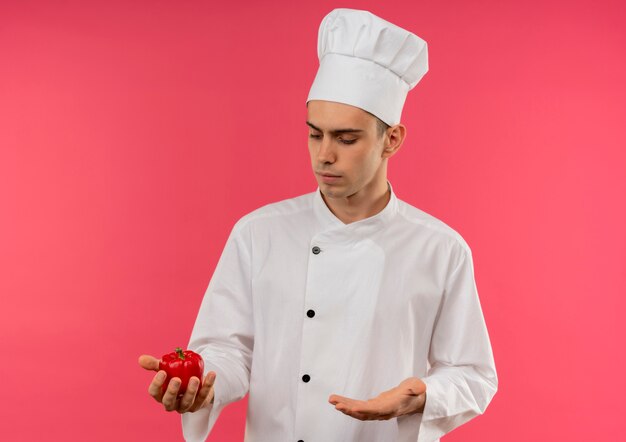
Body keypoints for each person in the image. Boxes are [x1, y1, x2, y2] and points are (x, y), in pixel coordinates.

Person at [139, 8, 497, 442]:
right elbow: (229, 350)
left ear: (392, 139)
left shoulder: (440, 249)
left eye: (346, 139)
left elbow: (473, 374)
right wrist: (202, 384)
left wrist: (420, 395)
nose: (324, 155)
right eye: (314, 134)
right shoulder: (260, 233)